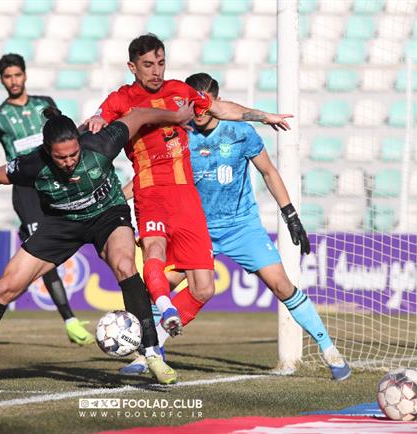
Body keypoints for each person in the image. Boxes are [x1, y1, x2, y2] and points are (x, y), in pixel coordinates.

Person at [0, 103, 195, 387]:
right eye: (61, 157)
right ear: (48, 151)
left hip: (107, 215)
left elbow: (139, 115)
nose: (70, 161)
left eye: (74, 154)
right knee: (5, 287)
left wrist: (176, 116)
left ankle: (152, 355)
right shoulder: (32, 164)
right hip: (63, 224)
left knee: (125, 265)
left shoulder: (101, 143)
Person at [123, 73, 351, 381]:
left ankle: (330, 351)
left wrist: (290, 215)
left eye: (205, 103)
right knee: (161, 286)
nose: (199, 110)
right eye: (194, 103)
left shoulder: (241, 132)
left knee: (282, 286)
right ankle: (149, 352)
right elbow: (149, 177)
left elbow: (269, 172)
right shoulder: (179, 135)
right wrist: (117, 198)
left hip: (241, 226)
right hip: (196, 228)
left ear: (216, 102)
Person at [83, 34, 293, 341]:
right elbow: (99, 118)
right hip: (150, 190)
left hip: (186, 196)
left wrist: (264, 116)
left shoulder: (180, 91)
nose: (156, 71)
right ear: (132, 67)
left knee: (204, 288)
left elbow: (221, 109)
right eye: (148, 65)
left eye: (161, 63)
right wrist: (96, 119)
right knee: (154, 248)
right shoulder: (122, 99)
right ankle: (163, 315)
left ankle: (154, 337)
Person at [0, 53, 93, 347]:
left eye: (17, 74)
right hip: (27, 190)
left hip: (56, 184)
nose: (13, 81)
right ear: (1, 80)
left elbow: (65, 134)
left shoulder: (45, 104)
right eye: (8, 76)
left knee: (34, 256)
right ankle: (70, 321)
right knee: (41, 254)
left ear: (25, 75)